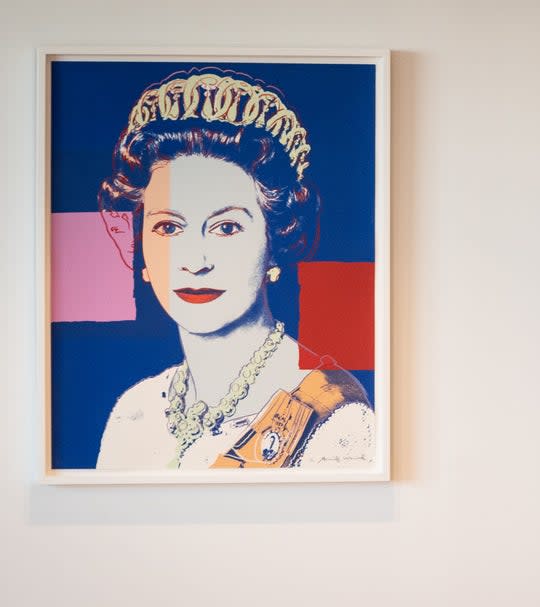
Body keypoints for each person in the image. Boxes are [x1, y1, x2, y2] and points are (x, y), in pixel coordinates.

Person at [95, 69, 374, 470]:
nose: (195, 261)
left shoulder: (335, 420)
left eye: (226, 228)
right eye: (169, 227)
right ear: (143, 252)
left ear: (274, 245)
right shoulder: (133, 412)